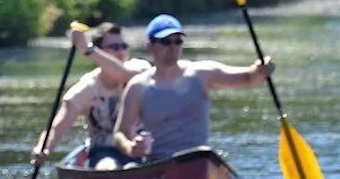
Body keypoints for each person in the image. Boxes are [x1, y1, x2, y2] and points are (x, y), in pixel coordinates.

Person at [112, 14, 274, 164]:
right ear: (150, 46)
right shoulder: (138, 86)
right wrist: (130, 147)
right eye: (166, 42)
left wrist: (260, 69)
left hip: (198, 161)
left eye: (178, 41)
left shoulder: (203, 73)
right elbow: (121, 133)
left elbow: (248, 77)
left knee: (204, 156)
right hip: (159, 165)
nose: (173, 47)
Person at [32, 22, 152, 170]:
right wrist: (44, 148)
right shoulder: (88, 87)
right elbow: (58, 127)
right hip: (104, 152)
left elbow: (122, 75)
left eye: (123, 46)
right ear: (100, 52)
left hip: (143, 148)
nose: (121, 51)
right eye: (114, 47)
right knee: (109, 167)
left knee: (134, 167)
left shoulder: (140, 69)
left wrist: (86, 48)